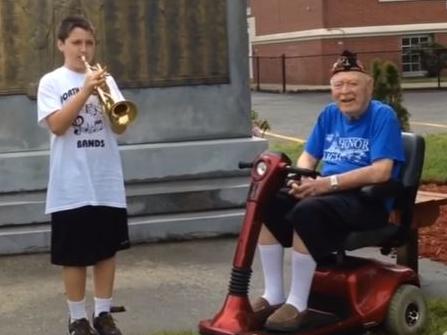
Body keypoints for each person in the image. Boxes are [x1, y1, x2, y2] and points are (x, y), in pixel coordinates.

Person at [251, 50, 405, 332]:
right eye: (339, 85)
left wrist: (326, 184)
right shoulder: (329, 115)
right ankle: (273, 294)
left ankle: (298, 303)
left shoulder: (383, 116)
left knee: (308, 210)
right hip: (329, 192)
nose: (345, 92)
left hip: (366, 199)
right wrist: (301, 178)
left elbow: (381, 171)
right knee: (266, 201)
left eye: (352, 84)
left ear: (368, 86)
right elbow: (309, 156)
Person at [37, 15, 130, 335]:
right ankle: (77, 318)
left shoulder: (106, 79)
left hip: (105, 178)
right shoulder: (51, 81)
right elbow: (58, 125)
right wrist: (84, 91)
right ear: (61, 44)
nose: (84, 49)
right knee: (74, 256)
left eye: (89, 43)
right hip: (71, 182)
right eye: (76, 42)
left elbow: (122, 124)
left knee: (106, 251)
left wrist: (103, 91)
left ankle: (103, 314)